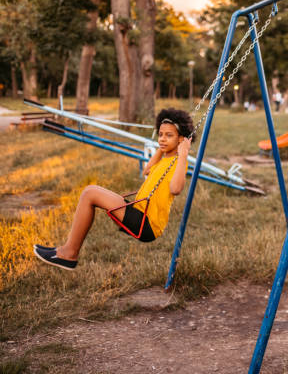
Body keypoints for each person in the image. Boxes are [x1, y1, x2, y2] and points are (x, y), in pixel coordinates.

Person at [33, 108, 194, 270]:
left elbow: (176, 188)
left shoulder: (178, 163)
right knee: (89, 192)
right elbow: (147, 170)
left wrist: (184, 153)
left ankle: (68, 253)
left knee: (90, 193)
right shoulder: (164, 159)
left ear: (181, 140)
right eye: (160, 135)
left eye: (169, 135)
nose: (162, 139)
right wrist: (163, 146)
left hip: (147, 224)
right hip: (138, 212)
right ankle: (66, 251)